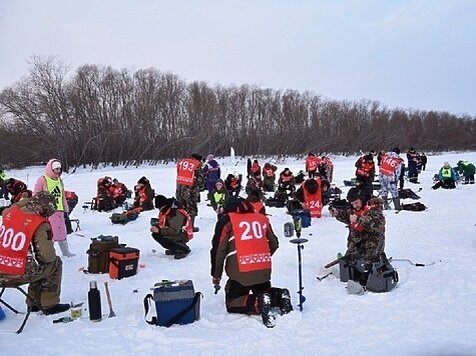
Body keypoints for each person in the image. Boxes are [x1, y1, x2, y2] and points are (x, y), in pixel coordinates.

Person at [210, 197, 292, 328]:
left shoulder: (227, 220)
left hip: (240, 272)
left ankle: (257, 302)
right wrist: (262, 256)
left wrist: (216, 275)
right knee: (263, 290)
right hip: (263, 270)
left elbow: (218, 250)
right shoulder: (261, 218)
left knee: (232, 301)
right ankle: (278, 295)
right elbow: (274, 243)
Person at [0, 191, 70, 315]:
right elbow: (47, 257)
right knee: (53, 264)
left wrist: (26, 200)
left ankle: (34, 304)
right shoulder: (39, 223)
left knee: (36, 263)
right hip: (16, 274)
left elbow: (16, 205)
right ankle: (49, 304)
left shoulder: (10, 212)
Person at [329, 192, 388, 288]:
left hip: (373, 243)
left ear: (362, 199)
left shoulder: (374, 209)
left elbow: (377, 225)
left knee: (368, 266)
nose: (355, 206)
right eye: (352, 204)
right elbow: (348, 216)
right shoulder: (355, 209)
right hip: (358, 241)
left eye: (356, 202)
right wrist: (337, 213)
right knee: (350, 260)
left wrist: (359, 219)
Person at [33, 159, 74, 257]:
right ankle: (49, 254)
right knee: (49, 234)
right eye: (56, 169)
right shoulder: (42, 179)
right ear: (51, 169)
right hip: (47, 212)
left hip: (59, 211)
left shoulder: (59, 180)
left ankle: (66, 252)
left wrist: (65, 208)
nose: (58, 171)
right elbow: (35, 194)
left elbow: (62, 196)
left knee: (62, 232)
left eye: (59, 169)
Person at [150, 195, 193, 260]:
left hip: (182, 234)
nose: (159, 210)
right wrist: (157, 225)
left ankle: (182, 249)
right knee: (156, 235)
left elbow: (174, 231)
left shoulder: (175, 213)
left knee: (163, 236)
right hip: (175, 232)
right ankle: (174, 248)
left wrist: (159, 230)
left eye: (159, 207)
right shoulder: (167, 211)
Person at [175, 153, 202, 232]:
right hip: (190, 190)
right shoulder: (196, 164)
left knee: (181, 207)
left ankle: (181, 224)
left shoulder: (181, 162)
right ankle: (190, 226)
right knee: (191, 208)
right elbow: (200, 179)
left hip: (179, 188)